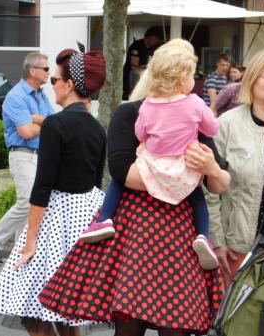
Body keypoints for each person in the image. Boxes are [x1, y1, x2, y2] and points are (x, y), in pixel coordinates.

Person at [38, 39, 230, 336]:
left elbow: (220, 182)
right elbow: (123, 172)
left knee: (177, 335)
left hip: (181, 237)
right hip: (137, 231)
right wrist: (182, 176)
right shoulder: (131, 112)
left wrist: (209, 168)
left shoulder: (193, 112)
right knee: (129, 330)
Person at [0, 45, 107, 336]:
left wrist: (29, 241)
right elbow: (97, 181)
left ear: (69, 85)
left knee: (25, 298)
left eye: (55, 80)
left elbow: (42, 186)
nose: (53, 85)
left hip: (56, 217)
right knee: (64, 300)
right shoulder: (97, 127)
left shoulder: (56, 123)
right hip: (85, 215)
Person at [81, 41, 220, 270]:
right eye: (192, 75)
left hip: (152, 167)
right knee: (197, 195)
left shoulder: (147, 106)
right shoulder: (195, 103)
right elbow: (212, 129)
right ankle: (203, 235)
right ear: (181, 79)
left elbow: (139, 134)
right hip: (184, 169)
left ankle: (104, 219)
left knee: (117, 181)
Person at [208, 48, 264, 283]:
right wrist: (217, 241)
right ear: (252, 80)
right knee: (242, 307)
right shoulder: (227, 125)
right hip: (241, 247)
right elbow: (209, 190)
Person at [0, 52, 53, 265]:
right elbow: (26, 132)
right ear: (32, 71)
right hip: (22, 154)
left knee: (33, 203)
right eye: (46, 69)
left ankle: (20, 248)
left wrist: (38, 119)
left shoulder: (41, 95)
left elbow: (55, 122)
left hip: (39, 155)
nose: (49, 73)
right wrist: (44, 123)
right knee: (29, 201)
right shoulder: (16, 96)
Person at [122, 26, 161, 100]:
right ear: (150, 37)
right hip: (131, 76)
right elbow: (134, 66)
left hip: (142, 76)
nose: (156, 41)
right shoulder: (137, 45)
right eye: (156, 39)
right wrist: (146, 74)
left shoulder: (152, 48)